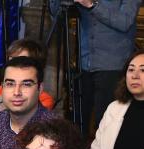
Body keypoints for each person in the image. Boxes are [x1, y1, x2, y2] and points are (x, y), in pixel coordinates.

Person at [49, 0, 139, 137]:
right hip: (84, 62)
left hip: (112, 65)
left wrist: (93, 5)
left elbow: (124, 21)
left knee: (105, 121)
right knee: (76, 120)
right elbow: (56, 13)